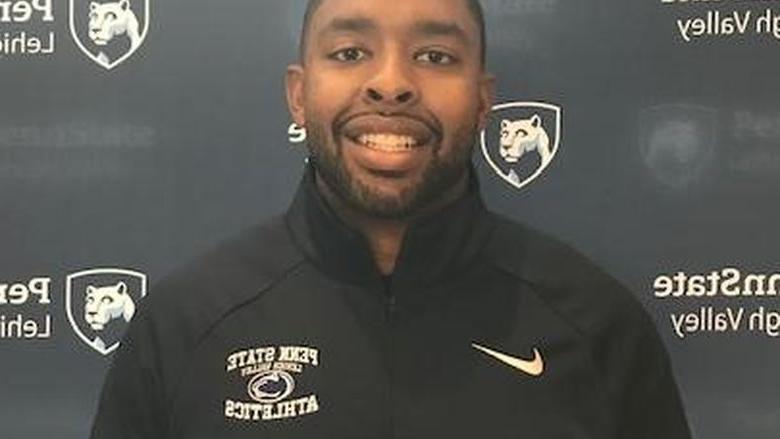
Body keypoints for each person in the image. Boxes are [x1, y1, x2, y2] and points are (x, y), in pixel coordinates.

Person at [91, 0, 693, 437]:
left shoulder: (596, 327)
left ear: (484, 101)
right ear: (298, 95)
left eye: (435, 55)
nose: (391, 84)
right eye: (351, 52)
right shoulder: (183, 326)